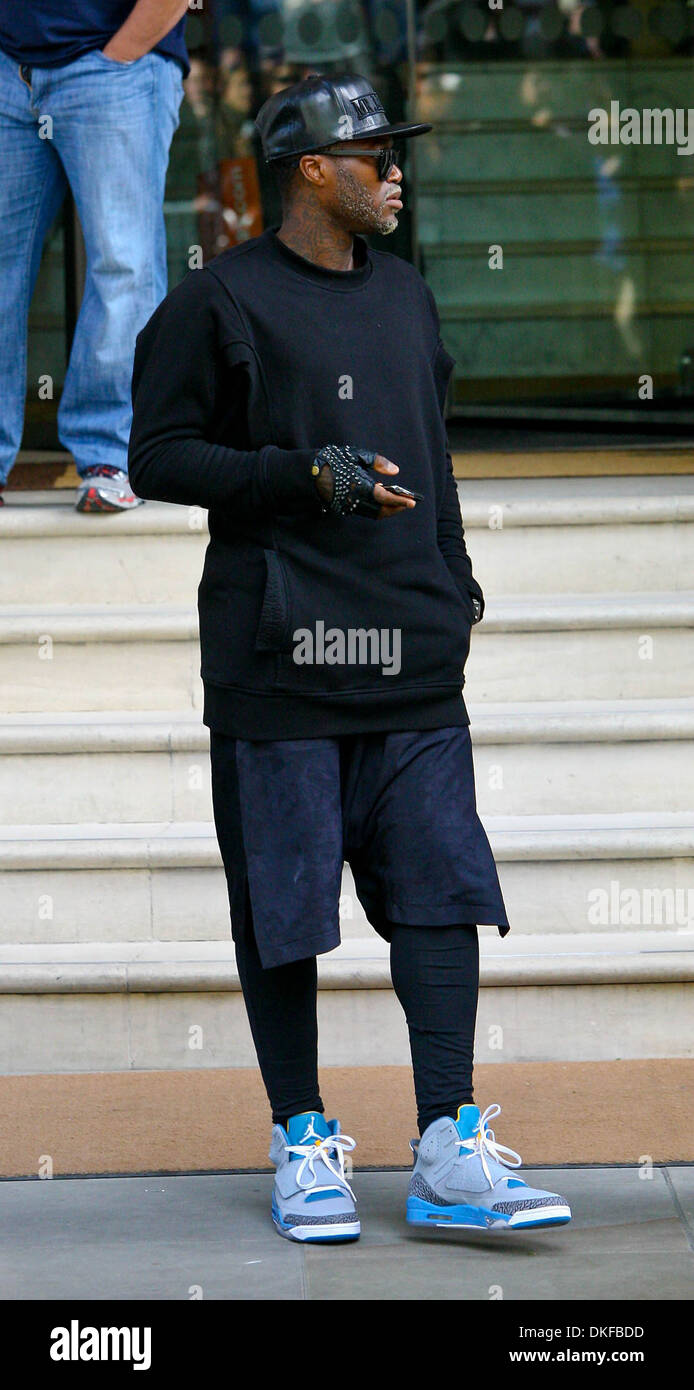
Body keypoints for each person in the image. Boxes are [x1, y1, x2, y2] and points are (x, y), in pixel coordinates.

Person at [128, 72, 572, 1242]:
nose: (397, 171)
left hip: (413, 659)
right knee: (284, 908)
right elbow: (160, 455)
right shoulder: (217, 302)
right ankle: (304, 1138)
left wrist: (453, 574)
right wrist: (294, 471)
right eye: (376, 153)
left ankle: (448, 1146)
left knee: (440, 897)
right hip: (280, 660)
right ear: (312, 169)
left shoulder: (411, 300)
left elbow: (435, 448)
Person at [0, 0, 189, 511]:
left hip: (114, 63)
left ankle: (111, 454)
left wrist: (120, 55)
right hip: (9, 67)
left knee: (123, 264)